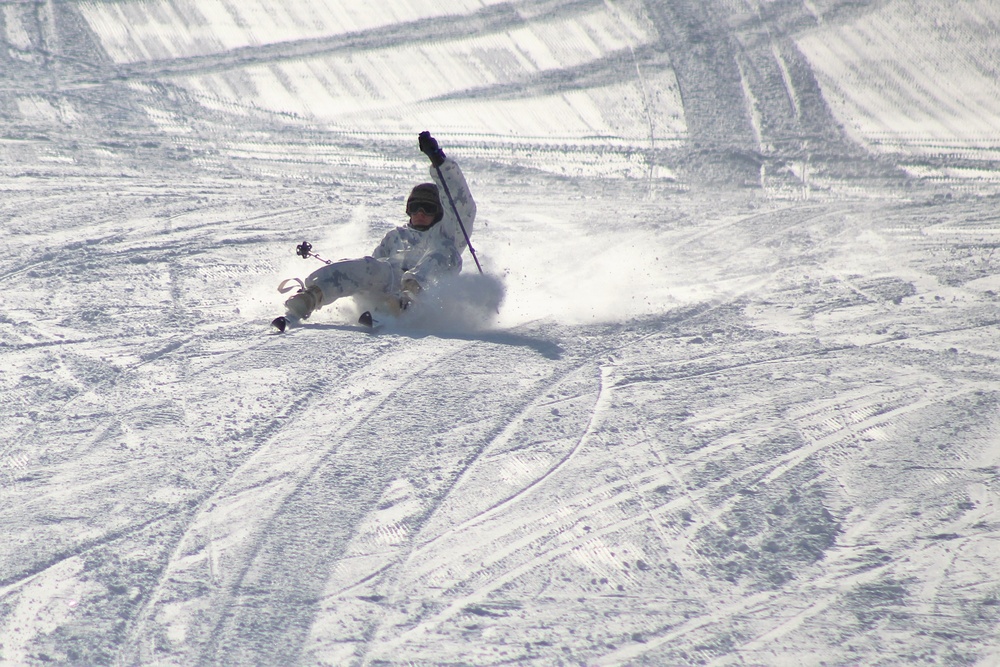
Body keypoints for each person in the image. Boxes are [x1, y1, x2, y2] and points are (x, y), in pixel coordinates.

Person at [271, 132, 476, 332]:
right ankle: (310, 297)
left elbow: (462, 206)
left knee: (446, 252)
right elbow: (375, 271)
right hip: (388, 292)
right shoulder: (396, 236)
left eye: (428, 209)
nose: (420, 214)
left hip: (426, 295)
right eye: (415, 208)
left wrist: (440, 162)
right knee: (369, 266)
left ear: (439, 212)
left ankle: (405, 300)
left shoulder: (448, 233)